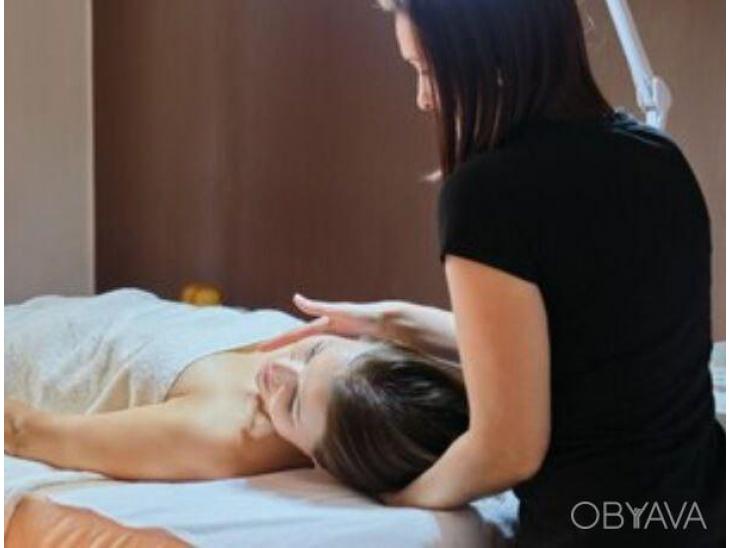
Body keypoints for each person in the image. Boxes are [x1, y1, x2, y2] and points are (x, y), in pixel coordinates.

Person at [259, 0, 725, 546]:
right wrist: (386, 321)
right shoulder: (660, 159)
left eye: (428, 71)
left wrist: (405, 499)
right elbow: (584, 355)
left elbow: (506, 450)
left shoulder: (489, 193)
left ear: (491, 58)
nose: (423, 98)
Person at [4, 289, 467, 496]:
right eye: (312, 351)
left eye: (292, 404)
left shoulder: (221, 433)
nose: (278, 369)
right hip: (60, 311)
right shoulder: (344, 358)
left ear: (320, 460)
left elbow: (24, 432)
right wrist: (387, 320)